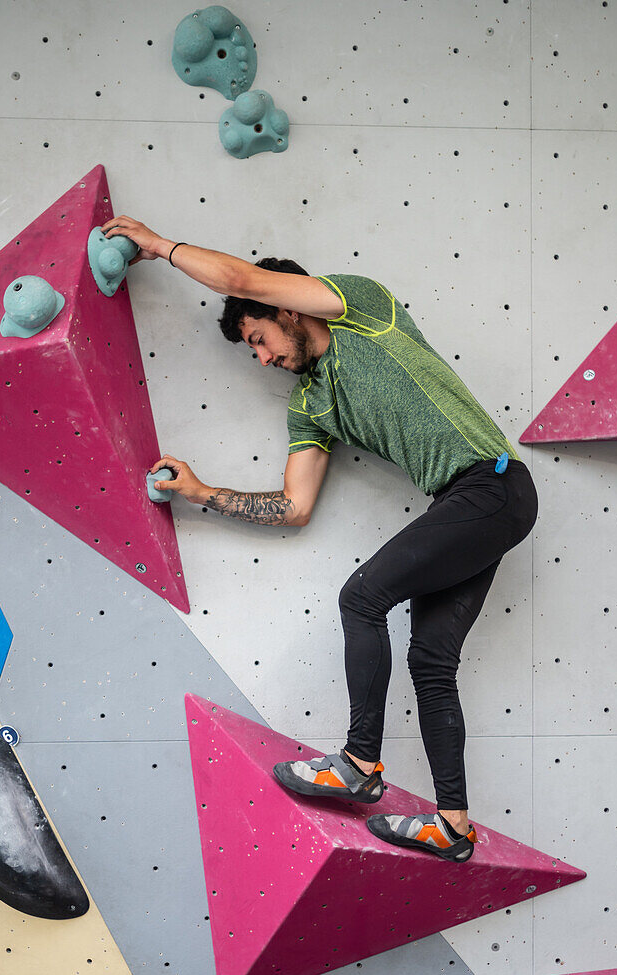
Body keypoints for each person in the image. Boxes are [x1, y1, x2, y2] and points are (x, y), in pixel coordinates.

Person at [102, 215, 539, 864]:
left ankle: (359, 763)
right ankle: (452, 827)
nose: (262, 357)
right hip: (470, 505)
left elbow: (242, 278)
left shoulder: (362, 309)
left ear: (285, 305)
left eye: (258, 337)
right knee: (430, 662)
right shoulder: (310, 404)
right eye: (251, 351)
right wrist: (199, 493)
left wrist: (159, 246)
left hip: (492, 485)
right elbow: (294, 505)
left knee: (361, 598)